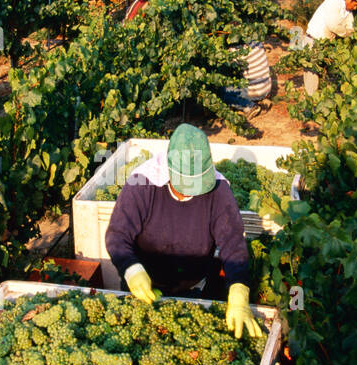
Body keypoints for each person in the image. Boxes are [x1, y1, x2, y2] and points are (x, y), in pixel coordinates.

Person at [104, 124, 261, 338]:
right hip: (144, 290)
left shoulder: (219, 190)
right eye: (186, 184)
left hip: (195, 289)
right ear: (169, 170)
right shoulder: (142, 184)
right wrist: (131, 269)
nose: (193, 191)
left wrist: (239, 288)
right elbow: (118, 235)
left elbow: (233, 244)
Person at [301, 0, 357, 93]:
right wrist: (348, 33)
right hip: (313, 42)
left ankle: (317, 104)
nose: (355, 7)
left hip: (324, 45)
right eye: (355, 4)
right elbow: (333, 25)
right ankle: (310, 107)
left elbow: (351, 27)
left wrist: (353, 33)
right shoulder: (334, 2)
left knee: (324, 79)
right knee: (312, 80)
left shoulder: (348, 12)